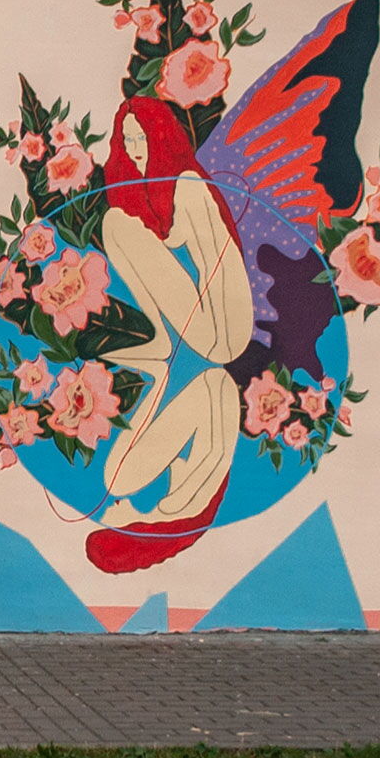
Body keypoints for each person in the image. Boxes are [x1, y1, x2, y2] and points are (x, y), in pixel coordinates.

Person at [89, 97, 252, 572]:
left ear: (163, 138)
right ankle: (159, 345)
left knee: (115, 224)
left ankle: (162, 346)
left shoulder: (187, 184)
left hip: (222, 325)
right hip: (197, 333)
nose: (137, 150)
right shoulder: (154, 189)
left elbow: (213, 264)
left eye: (144, 138)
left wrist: (195, 329)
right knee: (116, 221)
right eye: (129, 141)